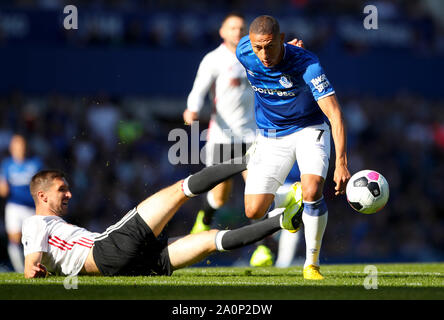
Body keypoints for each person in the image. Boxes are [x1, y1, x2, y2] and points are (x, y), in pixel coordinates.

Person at [22, 161, 303, 278]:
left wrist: (43, 272)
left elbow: (41, 266)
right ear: (42, 196)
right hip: (106, 250)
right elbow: (29, 267)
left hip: (123, 268)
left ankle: (283, 222)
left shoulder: (53, 226)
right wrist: (33, 271)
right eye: (62, 190)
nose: (69, 194)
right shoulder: (36, 223)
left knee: (210, 240)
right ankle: (247, 159)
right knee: (178, 191)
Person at [184, 12, 304, 267]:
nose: (237, 32)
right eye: (232, 28)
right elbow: (198, 89)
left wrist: (289, 50)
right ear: (222, 32)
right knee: (221, 196)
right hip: (222, 137)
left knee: (258, 191)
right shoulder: (213, 60)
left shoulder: (256, 55)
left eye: (241, 28)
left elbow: (279, 62)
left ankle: (262, 249)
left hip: (253, 136)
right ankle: (205, 219)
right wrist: (192, 109)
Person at [236, 15, 351, 279]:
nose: (263, 54)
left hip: (308, 129)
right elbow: (237, 41)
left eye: (269, 46)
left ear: (281, 38)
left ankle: (311, 264)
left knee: (312, 190)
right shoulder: (244, 51)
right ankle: (291, 199)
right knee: (253, 210)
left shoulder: (307, 64)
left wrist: (341, 162)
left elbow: (334, 114)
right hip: (270, 135)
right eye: (258, 47)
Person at [0, 134, 43, 272]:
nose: (20, 149)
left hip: (32, 208)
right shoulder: (7, 165)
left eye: (22, 146)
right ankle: (20, 269)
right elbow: (3, 187)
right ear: (12, 149)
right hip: (14, 206)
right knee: (14, 238)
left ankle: (34, 266)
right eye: (17, 147)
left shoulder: (35, 163)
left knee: (32, 241)